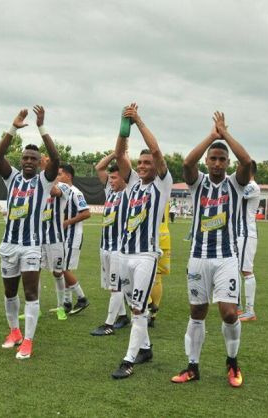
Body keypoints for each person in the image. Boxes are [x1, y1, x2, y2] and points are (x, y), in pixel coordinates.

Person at [170, 111, 252, 388]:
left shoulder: (236, 184)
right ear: (208, 161)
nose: (217, 163)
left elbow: (248, 162)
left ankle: (232, 362)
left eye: (222, 159)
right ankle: (192, 366)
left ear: (227, 163)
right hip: (198, 258)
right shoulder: (197, 183)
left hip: (226, 258)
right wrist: (212, 136)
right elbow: (187, 162)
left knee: (229, 313)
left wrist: (225, 133)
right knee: (197, 312)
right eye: (213, 159)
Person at [110, 103, 173, 379]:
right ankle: (145, 347)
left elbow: (157, 152)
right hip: (124, 254)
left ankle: (129, 359)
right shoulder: (132, 182)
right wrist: (124, 127)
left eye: (148, 163)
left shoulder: (162, 184)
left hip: (146, 255)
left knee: (137, 308)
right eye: (141, 163)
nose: (144, 166)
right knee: (132, 303)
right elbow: (119, 153)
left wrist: (139, 121)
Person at [0, 106, 60, 360]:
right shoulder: (12, 179)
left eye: (34, 158)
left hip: (32, 246)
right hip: (9, 244)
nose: (29, 162)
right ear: (21, 160)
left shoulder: (44, 182)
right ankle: (14, 332)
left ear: (39, 162)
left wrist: (42, 127)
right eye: (26, 158)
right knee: (9, 293)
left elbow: (56, 159)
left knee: (30, 293)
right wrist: (13, 127)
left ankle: (29, 341)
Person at [90, 152, 131, 336]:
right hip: (105, 246)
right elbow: (99, 167)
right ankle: (123, 316)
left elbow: (128, 170)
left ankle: (108, 324)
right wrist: (115, 153)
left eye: (115, 177)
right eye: (111, 177)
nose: (111, 180)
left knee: (116, 286)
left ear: (124, 178)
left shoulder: (130, 192)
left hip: (118, 249)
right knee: (111, 286)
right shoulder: (110, 192)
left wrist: (123, 156)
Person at [38, 155, 71, 320]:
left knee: (58, 273)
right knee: (33, 273)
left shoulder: (64, 188)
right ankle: (34, 308)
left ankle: (60, 307)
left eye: (59, 174)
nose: (57, 177)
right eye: (54, 174)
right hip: (38, 239)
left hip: (55, 239)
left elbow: (53, 190)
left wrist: (44, 170)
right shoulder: (40, 185)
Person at [58, 164, 91, 315]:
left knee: (63, 268)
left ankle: (82, 298)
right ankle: (67, 302)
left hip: (73, 236)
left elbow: (86, 213)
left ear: (68, 176)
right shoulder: (61, 192)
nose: (57, 178)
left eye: (60, 174)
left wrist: (67, 222)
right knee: (64, 268)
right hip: (63, 236)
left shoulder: (76, 193)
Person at [237, 161, 260, 322]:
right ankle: (237, 307)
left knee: (246, 270)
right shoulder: (245, 185)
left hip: (246, 234)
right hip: (238, 233)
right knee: (234, 268)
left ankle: (250, 311)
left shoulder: (252, 186)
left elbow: (235, 195)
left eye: (240, 166)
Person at [148, 201, 171, 328]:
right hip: (164, 236)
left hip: (149, 238)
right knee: (157, 277)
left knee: (136, 274)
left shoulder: (145, 189)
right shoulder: (165, 188)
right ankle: (152, 316)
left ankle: (148, 305)